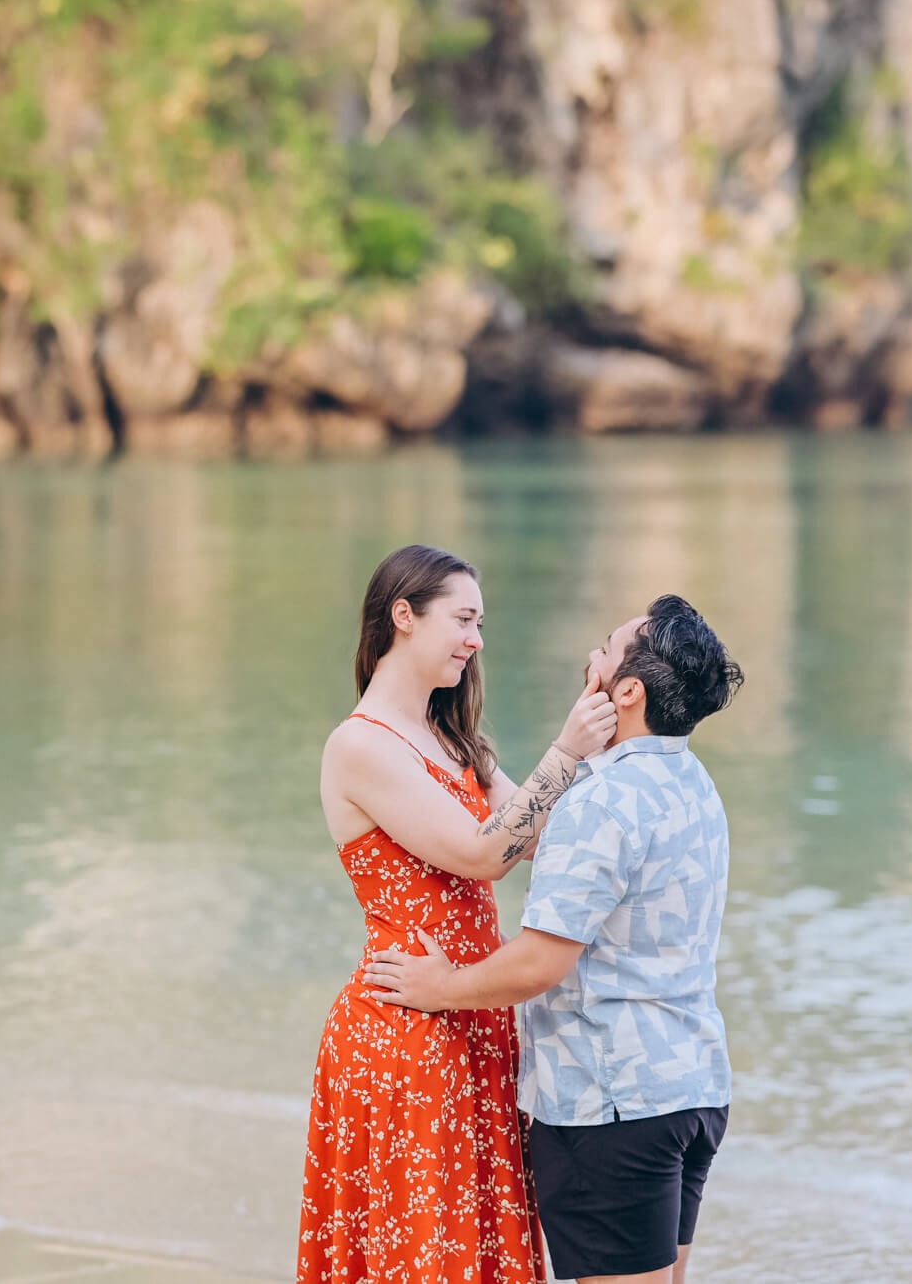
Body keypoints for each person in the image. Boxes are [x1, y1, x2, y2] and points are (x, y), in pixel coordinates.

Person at [364, 596, 744, 1284]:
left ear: (625, 690)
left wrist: (441, 986)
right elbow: (537, 838)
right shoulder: (692, 783)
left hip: (610, 1103)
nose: (591, 656)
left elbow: (542, 959)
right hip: (691, 1088)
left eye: (606, 646)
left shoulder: (603, 800)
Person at [297, 544, 619, 1284]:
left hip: (473, 1014)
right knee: (423, 1252)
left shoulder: (450, 737)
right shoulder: (358, 745)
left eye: (481, 622)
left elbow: (538, 837)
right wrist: (566, 748)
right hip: (406, 1025)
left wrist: (619, 741)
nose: (476, 640)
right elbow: (482, 853)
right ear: (403, 616)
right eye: (464, 619)